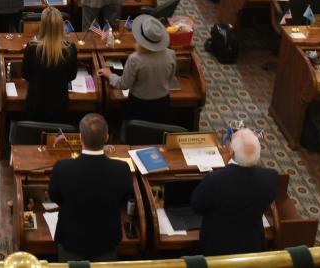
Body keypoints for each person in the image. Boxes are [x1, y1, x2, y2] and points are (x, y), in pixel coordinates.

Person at [48, 113, 135, 262]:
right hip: (106, 243)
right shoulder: (122, 169)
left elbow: (55, 197)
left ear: (80, 138)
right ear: (106, 137)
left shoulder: (62, 168)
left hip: (71, 241)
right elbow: (124, 200)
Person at [191, 128, 279, 256]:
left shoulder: (215, 180)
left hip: (216, 251)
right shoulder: (271, 178)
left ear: (231, 153)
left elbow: (197, 207)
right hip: (252, 250)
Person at [105, 14, 177, 124]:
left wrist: (110, 75)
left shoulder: (135, 59)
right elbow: (170, 78)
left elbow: (124, 84)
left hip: (139, 106)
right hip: (162, 104)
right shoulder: (171, 54)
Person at [22, 7, 78, 122]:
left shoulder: (32, 48)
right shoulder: (70, 49)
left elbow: (25, 75)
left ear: (42, 25)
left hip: (35, 103)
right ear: (60, 25)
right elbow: (71, 76)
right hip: (59, 104)